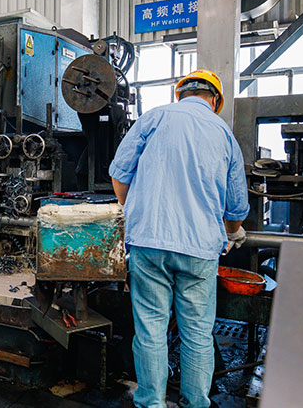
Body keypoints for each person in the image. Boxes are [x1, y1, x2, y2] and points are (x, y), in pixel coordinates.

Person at [109, 69, 249, 408]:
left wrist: (135, 211)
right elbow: (236, 207)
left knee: (151, 329)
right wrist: (233, 232)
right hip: (200, 248)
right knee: (197, 334)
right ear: (214, 100)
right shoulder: (223, 133)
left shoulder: (153, 118)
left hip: (149, 243)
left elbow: (119, 174)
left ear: (181, 93)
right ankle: (195, 403)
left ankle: (151, 403)